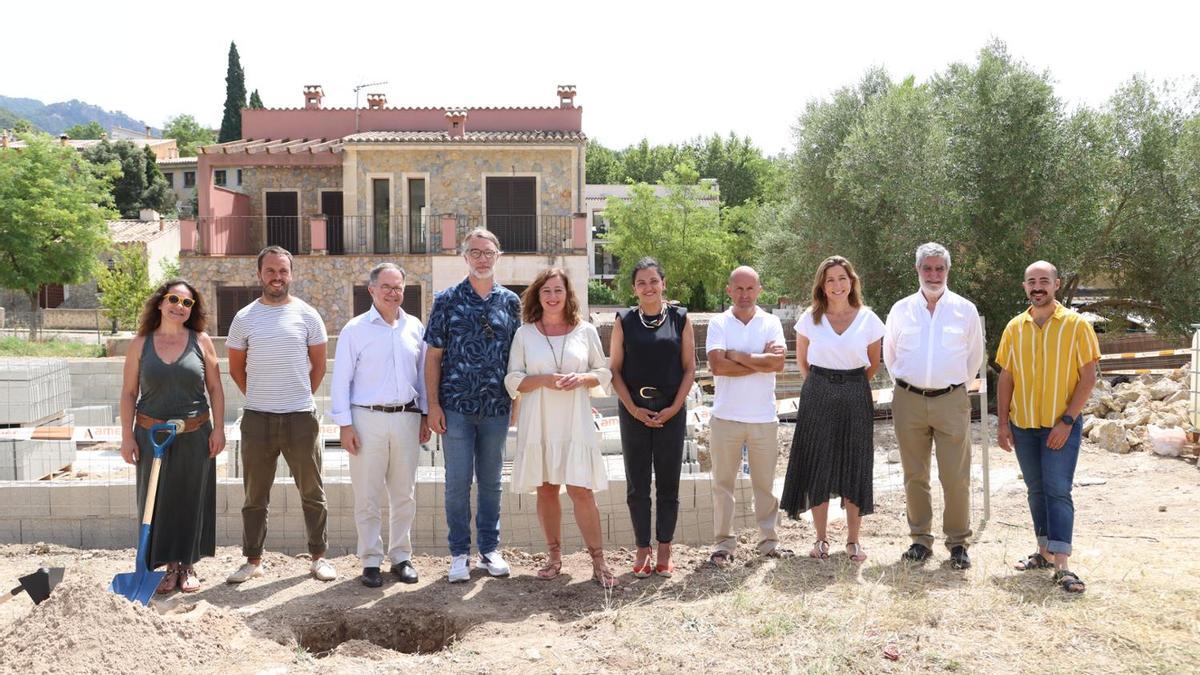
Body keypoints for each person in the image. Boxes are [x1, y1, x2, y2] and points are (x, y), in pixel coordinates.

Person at [225, 246, 334, 584]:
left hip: (301, 418)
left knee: (312, 493)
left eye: (283, 271)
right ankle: (252, 560)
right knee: (254, 497)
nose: (277, 277)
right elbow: (236, 368)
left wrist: (297, 395)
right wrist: (261, 396)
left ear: (291, 274)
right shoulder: (244, 318)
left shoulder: (308, 315)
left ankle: (319, 557)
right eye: (270, 271)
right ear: (260, 274)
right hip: (257, 420)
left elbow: (318, 366)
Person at [505, 268, 616, 588]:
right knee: (547, 488)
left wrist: (581, 379)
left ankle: (599, 560)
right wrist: (544, 380)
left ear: (568, 295)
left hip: (574, 421)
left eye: (558, 291)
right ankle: (554, 556)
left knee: (581, 489)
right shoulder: (524, 334)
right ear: (537, 296)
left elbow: (603, 373)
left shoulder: (586, 331)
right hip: (538, 421)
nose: (553, 297)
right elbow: (512, 379)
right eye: (546, 291)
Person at [997, 260, 1099, 594]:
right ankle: (1042, 553)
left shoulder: (1076, 325)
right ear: (1024, 286)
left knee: (1058, 490)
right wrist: (1003, 424)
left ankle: (1063, 566)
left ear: (1056, 284)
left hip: (1061, 426)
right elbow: (1007, 377)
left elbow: (1088, 378)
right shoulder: (1014, 327)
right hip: (1023, 425)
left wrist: (1067, 421)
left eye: (1044, 280)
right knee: (1036, 490)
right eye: (1031, 281)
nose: (1037, 286)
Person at [425, 229, 521, 583]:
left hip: (496, 408)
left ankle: (489, 551)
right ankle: (458, 554)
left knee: (492, 482)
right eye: (475, 252)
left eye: (488, 252)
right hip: (455, 408)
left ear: (498, 256)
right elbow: (433, 356)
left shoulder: (510, 303)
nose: (482, 258)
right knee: (457, 482)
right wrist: (433, 404)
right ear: (465, 257)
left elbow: (517, 357)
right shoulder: (447, 300)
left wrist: (517, 402)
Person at [118, 279, 225, 594]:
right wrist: (127, 436)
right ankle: (166, 567)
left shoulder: (201, 341)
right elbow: (127, 393)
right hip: (151, 435)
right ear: (161, 303)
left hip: (195, 434)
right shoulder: (140, 344)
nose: (180, 306)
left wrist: (219, 429)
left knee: (190, 499)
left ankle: (186, 565)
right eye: (174, 299)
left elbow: (216, 389)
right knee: (156, 500)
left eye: (187, 303)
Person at [883, 242, 984, 569]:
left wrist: (954, 388)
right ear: (917, 270)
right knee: (915, 474)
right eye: (927, 268)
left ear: (948, 271)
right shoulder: (900, 310)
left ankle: (957, 543)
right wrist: (907, 385)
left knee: (956, 477)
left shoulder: (965, 310)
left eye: (939, 268)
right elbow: (890, 355)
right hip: (908, 400)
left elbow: (974, 358)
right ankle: (920, 541)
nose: (934, 274)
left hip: (951, 400)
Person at [332, 263, 431, 588]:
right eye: (386, 287)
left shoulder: (414, 327)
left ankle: (401, 557)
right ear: (372, 290)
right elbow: (341, 381)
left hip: (407, 418)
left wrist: (426, 415)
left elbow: (422, 377)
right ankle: (371, 561)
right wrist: (345, 425)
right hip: (366, 420)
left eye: (398, 287)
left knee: (404, 494)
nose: (393, 292)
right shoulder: (355, 330)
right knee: (368, 495)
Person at [780, 256, 884, 562]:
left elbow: (873, 363)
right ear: (822, 286)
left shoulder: (869, 319)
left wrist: (849, 385)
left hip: (856, 392)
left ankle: (853, 541)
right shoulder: (809, 318)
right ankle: (821, 540)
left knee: (855, 463)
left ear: (851, 281)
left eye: (842, 278)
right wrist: (824, 385)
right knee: (818, 463)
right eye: (830, 280)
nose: (837, 285)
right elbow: (801, 361)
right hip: (818, 391)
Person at [609, 257, 696, 578]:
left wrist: (674, 407)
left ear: (664, 284)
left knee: (669, 483)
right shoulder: (624, 321)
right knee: (637, 484)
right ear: (634, 288)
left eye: (653, 281)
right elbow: (614, 370)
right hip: (634, 411)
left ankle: (664, 549)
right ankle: (642, 548)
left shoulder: (680, 319)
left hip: (671, 410)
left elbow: (690, 369)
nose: (648, 287)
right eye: (641, 282)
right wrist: (633, 408)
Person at [705, 266, 791, 568]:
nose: (744, 294)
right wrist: (759, 361)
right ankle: (723, 544)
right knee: (723, 484)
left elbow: (778, 364)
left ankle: (769, 542)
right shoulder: (718, 323)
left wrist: (736, 355)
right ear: (729, 290)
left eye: (750, 289)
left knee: (765, 485)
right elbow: (718, 366)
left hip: (763, 418)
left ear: (759, 290)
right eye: (738, 289)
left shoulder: (771, 323)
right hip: (725, 418)